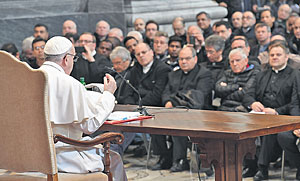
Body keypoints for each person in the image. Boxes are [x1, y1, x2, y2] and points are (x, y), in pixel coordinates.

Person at [39, 36, 127, 180]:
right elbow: (89, 126)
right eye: (73, 59)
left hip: (30, 155)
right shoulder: (69, 84)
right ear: (66, 59)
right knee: (114, 158)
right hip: (61, 157)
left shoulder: (29, 78)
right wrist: (108, 95)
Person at [242, 41, 298, 180]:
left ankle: (262, 168)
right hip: (260, 115)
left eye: (278, 54)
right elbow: (247, 95)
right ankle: (250, 165)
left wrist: (276, 111)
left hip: (282, 116)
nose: (274, 57)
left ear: (286, 57)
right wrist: (253, 103)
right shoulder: (261, 74)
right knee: (243, 127)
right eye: (272, 55)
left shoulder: (295, 74)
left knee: (269, 129)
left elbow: (294, 102)